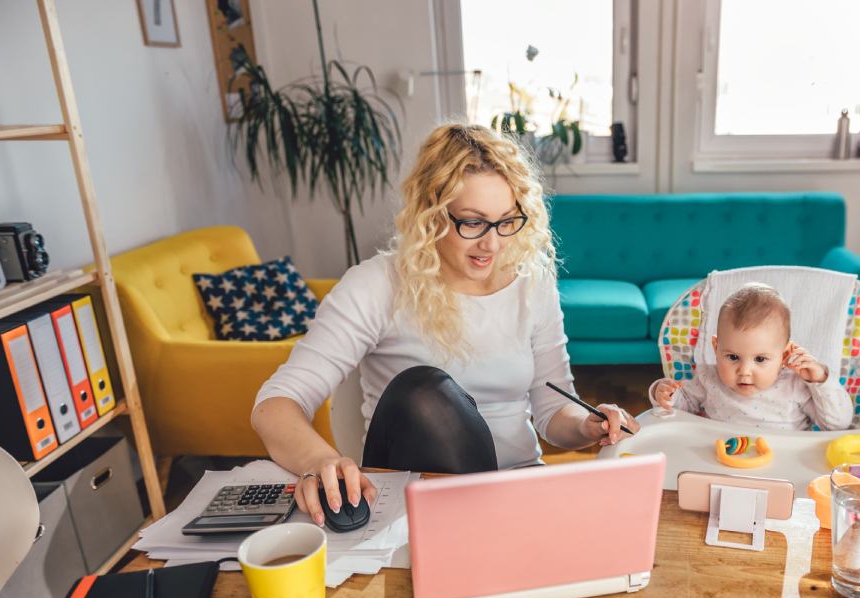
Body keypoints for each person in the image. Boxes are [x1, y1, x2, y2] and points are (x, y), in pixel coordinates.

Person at [251, 123, 639, 526]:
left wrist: (588, 423)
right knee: (426, 391)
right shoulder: (376, 285)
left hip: (517, 493)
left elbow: (553, 411)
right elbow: (275, 404)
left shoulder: (532, 283)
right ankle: (488, 530)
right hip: (417, 501)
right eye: (473, 223)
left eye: (507, 221)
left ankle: (497, 529)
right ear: (432, 213)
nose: (492, 244)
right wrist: (320, 460)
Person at [650, 282, 852, 431]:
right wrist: (668, 395)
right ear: (716, 347)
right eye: (733, 357)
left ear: (785, 355)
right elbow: (682, 408)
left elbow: (837, 424)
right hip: (719, 460)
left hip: (781, 467)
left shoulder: (796, 386)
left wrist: (820, 381)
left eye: (760, 359)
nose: (744, 371)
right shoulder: (708, 378)